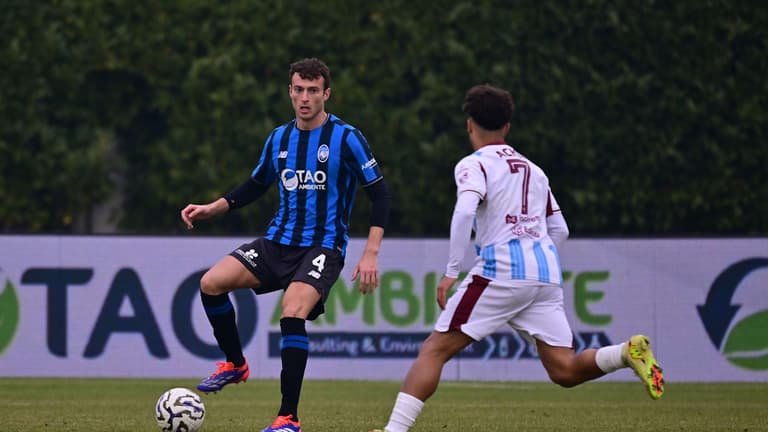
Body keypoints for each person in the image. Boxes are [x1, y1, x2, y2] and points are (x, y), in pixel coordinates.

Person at [372, 84, 663, 432]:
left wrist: (452, 271)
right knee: (564, 370)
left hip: (501, 271)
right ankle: (625, 352)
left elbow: (465, 211)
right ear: (507, 126)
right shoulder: (534, 170)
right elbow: (561, 230)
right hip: (544, 274)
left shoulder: (474, 164)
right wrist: (534, 256)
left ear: (469, 125)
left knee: (434, 350)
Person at [181, 57, 390, 432]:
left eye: (313, 91)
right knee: (211, 283)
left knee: (292, 312)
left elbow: (380, 195)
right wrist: (215, 207)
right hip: (277, 241)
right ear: (290, 92)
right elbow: (257, 184)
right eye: (299, 90)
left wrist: (371, 251)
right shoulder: (279, 138)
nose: (305, 98)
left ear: (326, 94)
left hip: (323, 247)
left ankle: (287, 418)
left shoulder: (347, 138)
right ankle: (235, 364)